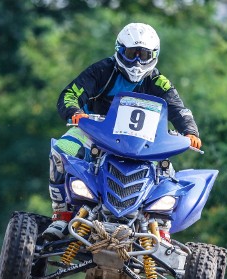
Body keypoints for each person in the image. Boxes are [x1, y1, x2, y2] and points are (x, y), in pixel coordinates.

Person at [42, 22, 202, 241]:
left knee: (168, 175)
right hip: (96, 134)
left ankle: (160, 229)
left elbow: (179, 109)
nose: (137, 61)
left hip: (144, 144)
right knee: (62, 148)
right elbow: (70, 94)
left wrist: (190, 132)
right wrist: (76, 112)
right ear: (119, 51)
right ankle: (61, 214)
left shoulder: (158, 81)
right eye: (131, 53)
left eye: (143, 55)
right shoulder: (101, 70)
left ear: (153, 56)